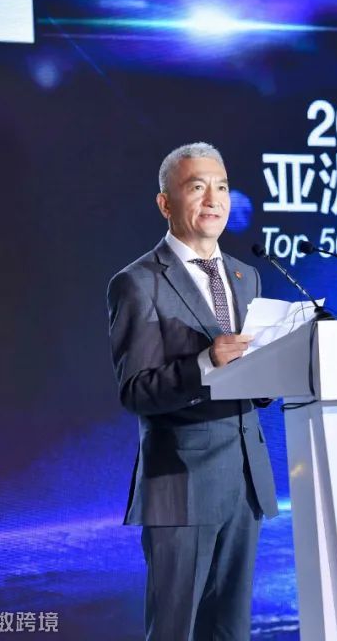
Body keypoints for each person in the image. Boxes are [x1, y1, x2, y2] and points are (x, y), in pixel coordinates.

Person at [106, 142, 279, 640]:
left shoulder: (246, 277)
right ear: (165, 203)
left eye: (221, 187)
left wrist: (276, 370)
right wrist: (205, 362)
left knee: (230, 631)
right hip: (181, 487)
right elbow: (137, 391)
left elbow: (248, 379)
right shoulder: (138, 283)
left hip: (244, 484)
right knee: (175, 631)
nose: (213, 199)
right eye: (197, 187)